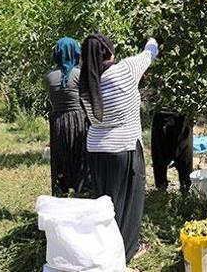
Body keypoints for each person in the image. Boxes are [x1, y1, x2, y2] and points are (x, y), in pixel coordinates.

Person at [79, 34, 158, 262]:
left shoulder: (86, 81)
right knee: (128, 203)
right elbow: (150, 52)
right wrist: (151, 37)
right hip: (123, 148)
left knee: (104, 203)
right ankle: (125, 253)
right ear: (110, 52)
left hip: (96, 148)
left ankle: (105, 247)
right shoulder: (124, 70)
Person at [45, 37, 91, 197]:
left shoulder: (49, 76)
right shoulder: (80, 74)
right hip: (79, 120)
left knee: (61, 159)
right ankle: (82, 194)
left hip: (58, 121)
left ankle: (61, 194)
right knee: (81, 159)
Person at [151, 110, 193, 192]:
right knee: (159, 157)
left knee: (184, 157)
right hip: (161, 111)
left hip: (182, 113)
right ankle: (161, 191)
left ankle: (187, 191)